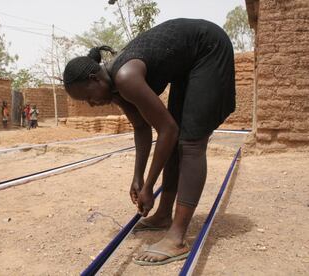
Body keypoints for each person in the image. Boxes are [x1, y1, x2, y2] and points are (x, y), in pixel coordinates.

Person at [62, 18, 235, 266]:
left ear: (95, 78)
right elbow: (141, 127)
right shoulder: (114, 89)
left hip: (209, 49)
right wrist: (138, 177)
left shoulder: (125, 77)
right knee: (178, 143)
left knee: (191, 143)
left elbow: (167, 130)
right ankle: (164, 215)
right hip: (187, 66)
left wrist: (149, 187)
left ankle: (176, 238)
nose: (91, 104)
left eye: (89, 96)